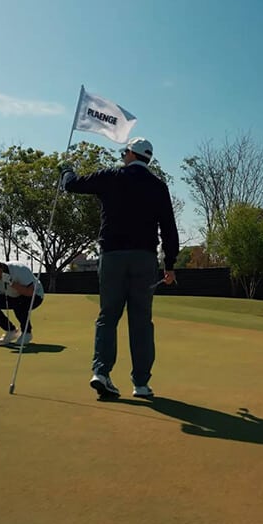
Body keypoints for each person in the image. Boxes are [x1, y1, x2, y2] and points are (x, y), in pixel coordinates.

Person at [59, 137, 178, 399]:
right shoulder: (158, 186)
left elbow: (72, 185)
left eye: (124, 152)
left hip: (112, 257)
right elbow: (169, 228)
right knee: (141, 322)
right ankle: (141, 384)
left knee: (108, 316)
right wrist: (170, 264)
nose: (123, 156)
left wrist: (66, 170)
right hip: (145, 260)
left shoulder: (111, 176)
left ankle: (101, 372)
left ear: (131, 155)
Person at [0, 257, 45, 347]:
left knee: (19, 304)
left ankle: (27, 333)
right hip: (14, 296)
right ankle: (11, 331)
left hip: (36, 296)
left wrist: (11, 283)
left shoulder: (19, 269)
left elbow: (30, 292)